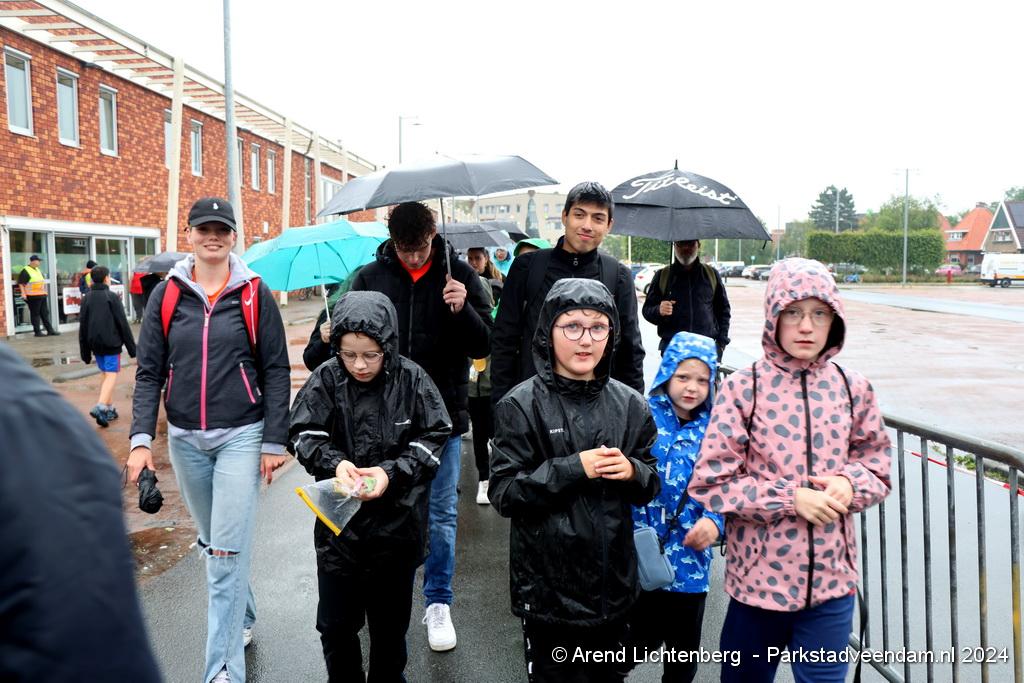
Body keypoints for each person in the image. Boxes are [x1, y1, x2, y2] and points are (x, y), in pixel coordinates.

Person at [689, 257, 892, 683]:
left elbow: (877, 466)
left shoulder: (854, 388)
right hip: (757, 587)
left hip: (832, 587)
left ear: (835, 320)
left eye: (819, 313)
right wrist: (789, 498)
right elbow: (713, 482)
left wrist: (849, 483)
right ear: (774, 317)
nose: (806, 327)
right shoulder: (744, 388)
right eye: (793, 312)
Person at [128, 197, 291, 683]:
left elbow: (276, 368)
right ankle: (243, 612)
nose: (212, 237)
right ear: (190, 235)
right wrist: (141, 440)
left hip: (241, 435)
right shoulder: (168, 294)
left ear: (234, 236)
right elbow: (149, 372)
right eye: (204, 229)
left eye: (222, 229)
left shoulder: (254, 294)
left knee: (222, 556)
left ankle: (222, 670)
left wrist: (273, 441)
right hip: (185, 441)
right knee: (216, 543)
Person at [489, 278, 660, 683]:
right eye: (572, 326)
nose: (585, 340)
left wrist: (633, 472)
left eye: (598, 327)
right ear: (548, 332)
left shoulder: (631, 405)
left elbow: (651, 484)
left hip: (613, 590)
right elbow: (505, 492)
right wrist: (573, 468)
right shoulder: (521, 404)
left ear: (612, 334)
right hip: (547, 595)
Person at [349, 201, 492, 652]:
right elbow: (347, 343)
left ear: (434, 236)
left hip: (442, 418)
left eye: (421, 248)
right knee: (381, 511)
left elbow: (485, 343)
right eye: (404, 249)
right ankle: (381, 596)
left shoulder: (458, 274)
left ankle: (438, 601)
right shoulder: (370, 277)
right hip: (383, 419)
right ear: (392, 241)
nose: (413, 258)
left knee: (441, 514)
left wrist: (463, 308)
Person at [289, 290, 451, 682]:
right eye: (349, 354)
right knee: (336, 627)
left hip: (397, 529)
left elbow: (435, 436)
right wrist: (335, 463)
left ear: (387, 347)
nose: (359, 365)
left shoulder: (413, 379)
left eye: (370, 355)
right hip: (339, 532)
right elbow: (302, 433)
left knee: (389, 633)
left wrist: (390, 473)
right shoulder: (326, 378)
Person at [0, 343, 161, 682]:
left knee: (109, 373)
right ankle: (103, 403)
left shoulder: (25, 421)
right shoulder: (42, 416)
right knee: (109, 373)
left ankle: (103, 403)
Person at [622, 331, 723, 683]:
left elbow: (723, 490)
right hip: (640, 557)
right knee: (627, 648)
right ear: (666, 373)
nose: (692, 387)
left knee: (682, 660)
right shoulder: (642, 416)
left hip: (691, 568)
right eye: (683, 377)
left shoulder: (717, 431)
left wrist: (715, 523)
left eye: (702, 379)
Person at [491, 181, 645, 408]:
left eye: (598, 218)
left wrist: (634, 413)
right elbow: (504, 341)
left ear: (609, 225)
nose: (587, 225)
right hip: (532, 408)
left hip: (597, 409)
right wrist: (501, 408)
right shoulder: (528, 268)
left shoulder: (618, 276)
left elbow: (630, 353)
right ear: (564, 216)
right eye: (579, 215)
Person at [642, 240, 731, 359]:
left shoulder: (711, 274)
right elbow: (647, 310)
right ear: (674, 246)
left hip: (706, 350)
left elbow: (723, 311)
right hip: (672, 351)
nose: (685, 248)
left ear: (698, 245)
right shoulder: (663, 276)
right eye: (680, 244)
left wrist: (721, 344)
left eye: (690, 244)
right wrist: (659, 310)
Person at [79, 265, 137, 428]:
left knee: (105, 373)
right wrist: (132, 349)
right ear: (106, 278)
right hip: (111, 342)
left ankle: (109, 408)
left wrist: (85, 352)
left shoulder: (86, 298)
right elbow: (122, 323)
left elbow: (83, 325)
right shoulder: (111, 296)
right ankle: (101, 406)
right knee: (111, 374)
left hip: (94, 342)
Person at [465, 247, 499, 504]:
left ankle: (498, 474)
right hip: (472, 385)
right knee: (479, 431)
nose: (474, 262)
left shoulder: (498, 290)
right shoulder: (461, 315)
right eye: (470, 258)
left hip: (494, 382)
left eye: (478, 257)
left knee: (496, 431)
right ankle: (483, 479)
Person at [17, 254, 59, 336]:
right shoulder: (26, 270)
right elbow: (21, 283)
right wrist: (23, 293)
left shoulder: (37, 270)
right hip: (33, 296)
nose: (39, 262)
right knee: (35, 314)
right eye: (38, 261)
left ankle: (50, 330)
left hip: (42, 295)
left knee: (45, 313)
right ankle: (37, 332)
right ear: (33, 261)